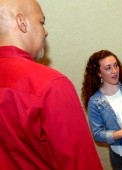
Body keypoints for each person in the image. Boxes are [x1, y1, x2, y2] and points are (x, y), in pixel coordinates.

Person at [0, 0, 103, 169]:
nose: (45, 32)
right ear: (22, 22)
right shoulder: (52, 85)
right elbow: (80, 163)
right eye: (41, 22)